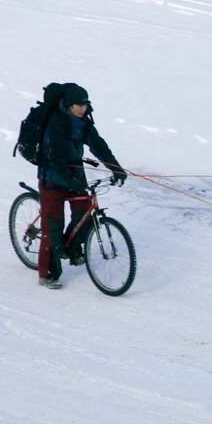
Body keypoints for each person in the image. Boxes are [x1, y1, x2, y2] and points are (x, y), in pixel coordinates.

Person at [37, 83, 127, 289]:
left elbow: (98, 145)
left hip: (75, 173)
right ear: (69, 105)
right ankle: (47, 273)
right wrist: (68, 180)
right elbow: (56, 157)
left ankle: (71, 247)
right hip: (52, 175)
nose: (83, 108)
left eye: (86, 104)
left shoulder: (83, 123)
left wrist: (116, 168)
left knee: (85, 212)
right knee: (53, 225)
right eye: (79, 104)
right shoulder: (55, 122)